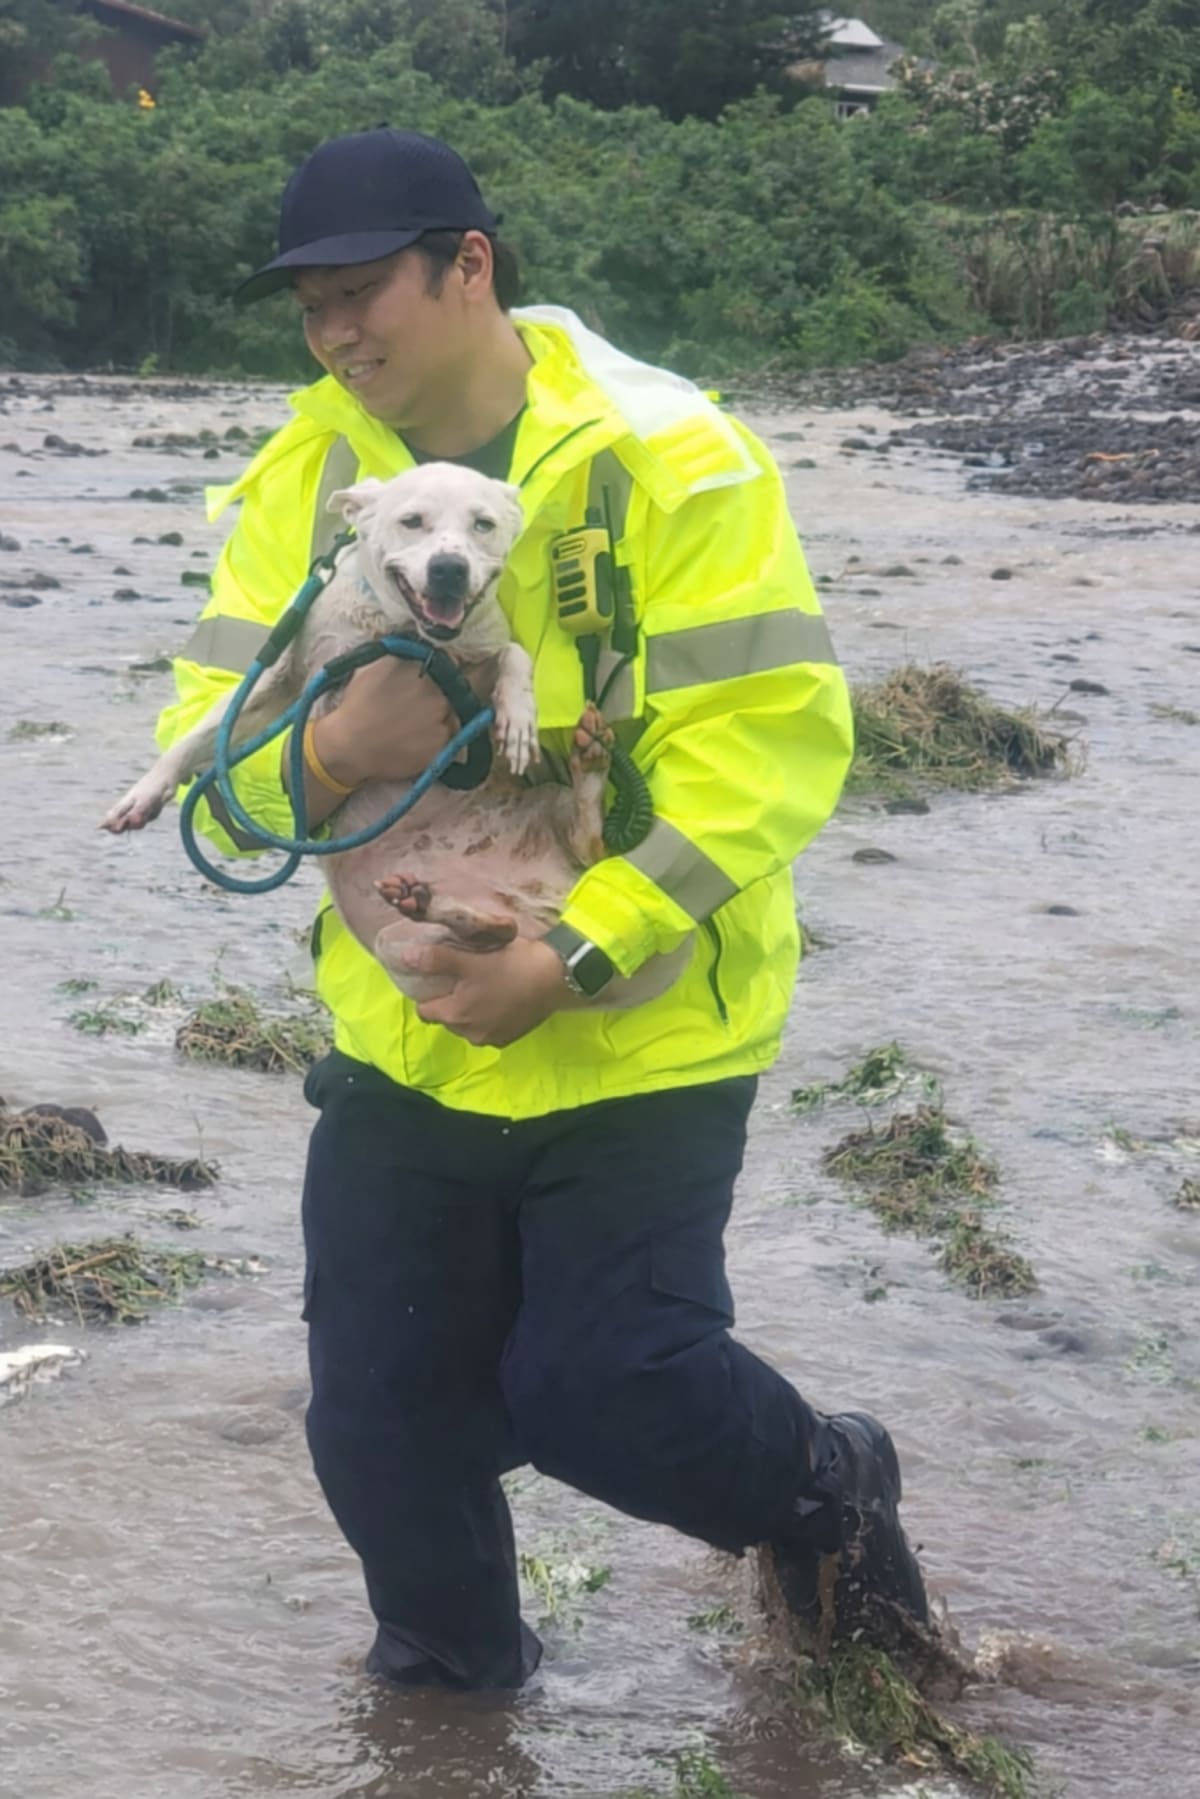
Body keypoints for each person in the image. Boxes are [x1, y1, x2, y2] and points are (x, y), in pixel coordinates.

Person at [155, 126, 932, 1689]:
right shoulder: (309, 478)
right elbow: (217, 769)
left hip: (642, 1027)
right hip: (408, 1031)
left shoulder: (672, 452)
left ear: (471, 266)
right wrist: (327, 747)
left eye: (366, 291)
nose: (337, 335)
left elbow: (772, 747)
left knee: (604, 1388)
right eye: (310, 307)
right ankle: (452, 1724)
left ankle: (829, 1487)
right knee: (379, 1421)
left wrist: (577, 954)